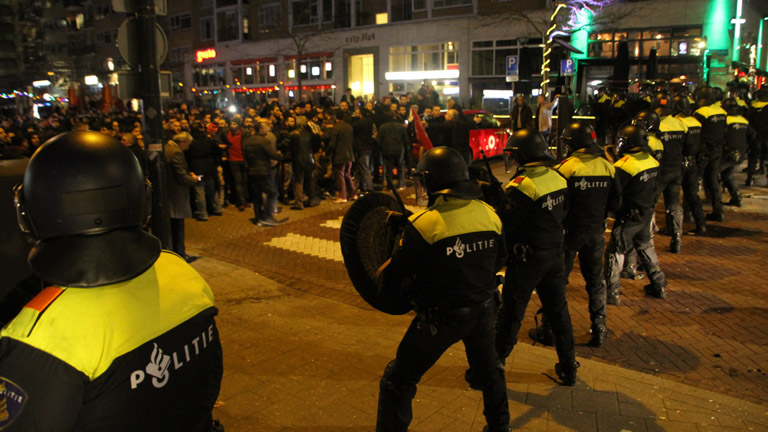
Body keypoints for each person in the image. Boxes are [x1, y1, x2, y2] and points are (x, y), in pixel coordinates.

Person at [1, 131, 222, 431]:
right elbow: (209, 379)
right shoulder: (180, 272)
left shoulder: (38, 339)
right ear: (142, 200)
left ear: (27, 214)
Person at [377, 147, 510, 432]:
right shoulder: (489, 214)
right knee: (491, 374)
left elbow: (397, 274)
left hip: (441, 320)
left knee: (398, 380)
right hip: (485, 310)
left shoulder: (424, 225)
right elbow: (500, 258)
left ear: (431, 182)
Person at [493, 129, 578, 386]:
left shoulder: (524, 185)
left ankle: (493, 368)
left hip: (529, 259)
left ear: (521, 155)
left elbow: (506, 224)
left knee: (511, 313)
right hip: (555, 255)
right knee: (558, 312)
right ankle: (568, 366)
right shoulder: (558, 177)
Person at [555, 122, 618, 347]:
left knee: (559, 281)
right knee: (595, 281)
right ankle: (599, 327)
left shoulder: (566, 167)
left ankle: (551, 329)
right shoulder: (607, 166)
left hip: (570, 232)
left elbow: (559, 203)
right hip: (595, 232)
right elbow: (615, 202)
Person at [604, 125, 668, 303]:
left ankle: (612, 292)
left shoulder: (625, 165)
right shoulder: (652, 161)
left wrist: (609, 212)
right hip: (646, 212)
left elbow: (615, 193)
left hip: (628, 215)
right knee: (646, 247)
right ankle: (659, 284)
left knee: (614, 251)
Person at [651, 92, 688, 253]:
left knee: (650, 205)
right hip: (676, 169)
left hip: (659, 171)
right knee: (674, 205)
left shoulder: (655, 124)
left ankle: (648, 241)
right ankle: (677, 237)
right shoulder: (680, 124)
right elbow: (689, 147)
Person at [693, 87, 728, 222]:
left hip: (703, 150)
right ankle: (718, 211)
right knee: (713, 181)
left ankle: (691, 214)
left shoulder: (701, 112)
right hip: (717, 150)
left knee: (693, 182)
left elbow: (696, 132)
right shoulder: (722, 112)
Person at [167, 132, 201, 263]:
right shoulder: (176, 153)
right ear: (182, 141)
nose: (187, 148)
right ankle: (180, 254)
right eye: (187, 144)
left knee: (173, 226)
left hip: (170, 193)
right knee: (178, 226)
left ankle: (176, 252)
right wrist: (193, 179)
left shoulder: (167, 148)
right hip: (176, 194)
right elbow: (180, 175)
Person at [243, 122, 286, 226]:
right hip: (263, 171)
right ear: (261, 129)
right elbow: (272, 154)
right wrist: (281, 156)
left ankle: (258, 218)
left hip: (252, 171)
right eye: (265, 127)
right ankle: (268, 216)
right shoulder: (264, 141)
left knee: (257, 195)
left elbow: (245, 155)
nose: (267, 129)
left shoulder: (247, 141)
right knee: (272, 192)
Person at [721, 98, 755, 207]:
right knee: (727, 175)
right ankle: (736, 198)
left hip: (727, 152)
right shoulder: (743, 120)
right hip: (740, 153)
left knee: (713, 174)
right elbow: (753, 134)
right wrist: (744, 145)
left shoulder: (726, 120)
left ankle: (715, 200)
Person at [324, 111, 357, 203]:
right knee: (347, 174)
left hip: (340, 155)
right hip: (350, 154)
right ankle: (353, 193)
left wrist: (326, 152)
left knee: (340, 175)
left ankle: (342, 195)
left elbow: (332, 144)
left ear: (335, 117)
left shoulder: (336, 128)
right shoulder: (349, 127)